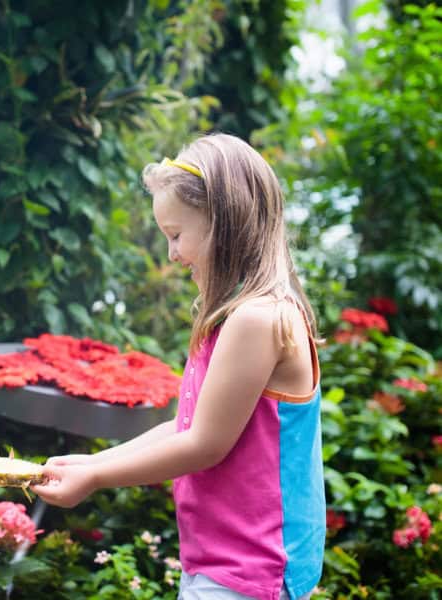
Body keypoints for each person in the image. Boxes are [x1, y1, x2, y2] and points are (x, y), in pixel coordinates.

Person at [31, 133, 325, 600]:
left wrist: (98, 478)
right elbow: (188, 426)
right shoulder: (236, 316)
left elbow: (205, 445)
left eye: (175, 235)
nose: (171, 254)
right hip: (223, 559)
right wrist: (92, 462)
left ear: (225, 224)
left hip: (254, 567)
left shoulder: (258, 318)